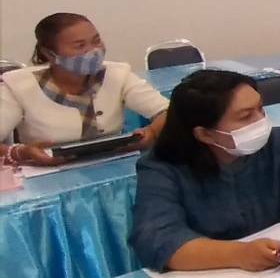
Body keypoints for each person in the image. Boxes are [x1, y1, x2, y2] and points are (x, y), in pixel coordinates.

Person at [129, 70, 280, 272]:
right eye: (246, 116)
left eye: (261, 108)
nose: (261, 121)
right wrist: (240, 254)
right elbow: (157, 238)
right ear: (205, 134)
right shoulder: (162, 167)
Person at [1, 12, 169, 166]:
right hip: (50, 175)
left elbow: (168, 111)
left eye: (96, 41)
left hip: (114, 166)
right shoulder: (18, 86)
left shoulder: (117, 74)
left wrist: (152, 131)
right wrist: (20, 152)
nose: (94, 51)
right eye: (80, 46)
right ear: (49, 53)